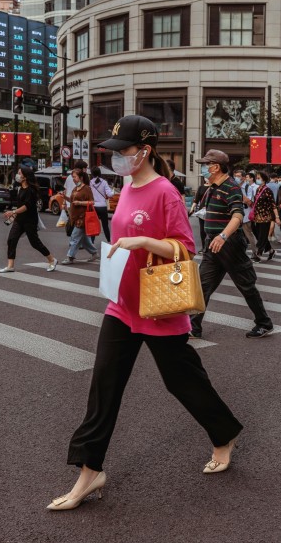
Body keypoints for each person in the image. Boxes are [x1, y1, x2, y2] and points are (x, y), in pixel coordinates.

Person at [52, 116, 242, 512]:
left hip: (159, 308)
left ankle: (223, 435)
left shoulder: (165, 193)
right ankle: (90, 471)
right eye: (115, 151)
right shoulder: (125, 187)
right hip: (121, 306)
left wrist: (143, 240)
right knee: (104, 387)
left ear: (145, 151)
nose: (117, 157)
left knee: (183, 381)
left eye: (124, 151)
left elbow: (186, 248)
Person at [193, 149, 275, 339]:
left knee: (246, 285)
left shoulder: (231, 187)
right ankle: (193, 328)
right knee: (202, 286)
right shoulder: (212, 187)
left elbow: (237, 215)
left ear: (215, 167)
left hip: (229, 244)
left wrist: (222, 236)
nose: (204, 168)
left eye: (206, 165)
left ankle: (264, 322)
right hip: (212, 245)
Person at [0, 166, 59, 273]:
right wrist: (14, 215)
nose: (17, 175)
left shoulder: (31, 191)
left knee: (34, 242)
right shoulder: (21, 188)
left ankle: (52, 259)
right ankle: (10, 265)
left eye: (19, 173)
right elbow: (20, 205)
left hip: (30, 220)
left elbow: (26, 206)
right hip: (19, 220)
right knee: (11, 239)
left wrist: (13, 212)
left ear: (25, 177)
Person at [63, 168, 100, 265]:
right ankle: (94, 253)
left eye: (75, 177)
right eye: (73, 177)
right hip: (75, 218)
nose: (73, 179)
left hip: (83, 218)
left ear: (81, 178)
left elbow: (92, 202)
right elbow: (72, 201)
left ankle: (70, 257)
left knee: (74, 237)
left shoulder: (86, 189)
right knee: (84, 240)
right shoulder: (75, 189)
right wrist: (64, 197)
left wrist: (80, 202)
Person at [250, 170, 278, 262]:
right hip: (257, 217)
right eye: (256, 178)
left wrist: (277, 217)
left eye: (258, 178)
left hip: (265, 217)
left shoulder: (267, 190)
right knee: (258, 234)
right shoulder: (258, 189)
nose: (257, 180)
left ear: (264, 179)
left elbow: (273, 205)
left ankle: (258, 254)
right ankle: (271, 250)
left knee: (262, 236)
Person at [236, 169, 260, 261]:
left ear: (243, 177)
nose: (236, 178)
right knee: (236, 235)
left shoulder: (247, 188)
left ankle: (255, 254)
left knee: (249, 235)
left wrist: (238, 194)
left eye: (238, 176)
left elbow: (249, 202)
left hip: (246, 215)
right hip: (236, 214)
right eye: (236, 176)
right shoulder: (234, 187)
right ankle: (239, 254)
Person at [88, 167, 115, 243]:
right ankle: (109, 240)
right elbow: (109, 195)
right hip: (103, 206)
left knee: (93, 224)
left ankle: (92, 242)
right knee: (105, 225)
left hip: (94, 207)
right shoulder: (104, 182)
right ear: (100, 173)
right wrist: (113, 191)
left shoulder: (90, 182)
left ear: (92, 174)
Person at [189, 175, 210, 252]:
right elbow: (196, 200)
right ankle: (204, 246)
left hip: (211, 210)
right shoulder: (201, 188)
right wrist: (192, 208)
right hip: (202, 211)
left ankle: (210, 247)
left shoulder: (214, 187)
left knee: (209, 229)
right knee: (202, 230)